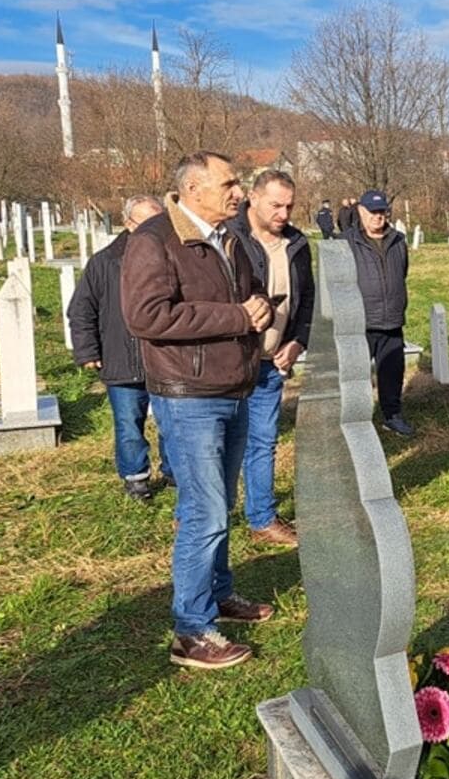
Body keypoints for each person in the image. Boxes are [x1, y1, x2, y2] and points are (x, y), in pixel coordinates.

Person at [121, 150, 275, 671]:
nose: (238, 192)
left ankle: (218, 596)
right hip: (188, 396)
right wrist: (236, 316)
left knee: (219, 505)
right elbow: (145, 316)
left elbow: (251, 299)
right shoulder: (155, 241)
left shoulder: (229, 237)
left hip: (234, 389)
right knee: (204, 511)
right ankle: (191, 630)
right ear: (193, 191)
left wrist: (260, 308)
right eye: (229, 183)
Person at [68, 195, 174, 502]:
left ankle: (174, 472)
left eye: (160, 222)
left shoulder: (172, 255)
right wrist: (87, 351)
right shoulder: (105, 262)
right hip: (121, 358)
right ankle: (136, 478)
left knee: (171, 420)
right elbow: (82, 309)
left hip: (165, 359)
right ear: (128, 224)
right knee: (129, 424)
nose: (157, 230)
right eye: (148, 223)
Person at [227, 170, 312, 548]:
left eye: (289, 206)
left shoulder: (297, 244)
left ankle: (261, 518)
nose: (283, 213)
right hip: (226, 363)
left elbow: (307, 301)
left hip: (270, 363)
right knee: (218, 442)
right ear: (253, 198)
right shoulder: (228, 239)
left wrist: (297, 342)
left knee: (263, 441)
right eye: (276, 205)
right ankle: (202, 517)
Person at [346, 190, 413, 436]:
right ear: (361, 212)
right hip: (360, 322)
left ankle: (392, 415)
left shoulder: (398, 240)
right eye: (372, 212)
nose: (378, 217)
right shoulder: (347, 242)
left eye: (382, 212)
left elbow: (402, 273)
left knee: (392, 373)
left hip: (392, 321)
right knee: (356, 376)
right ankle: (357, 420)